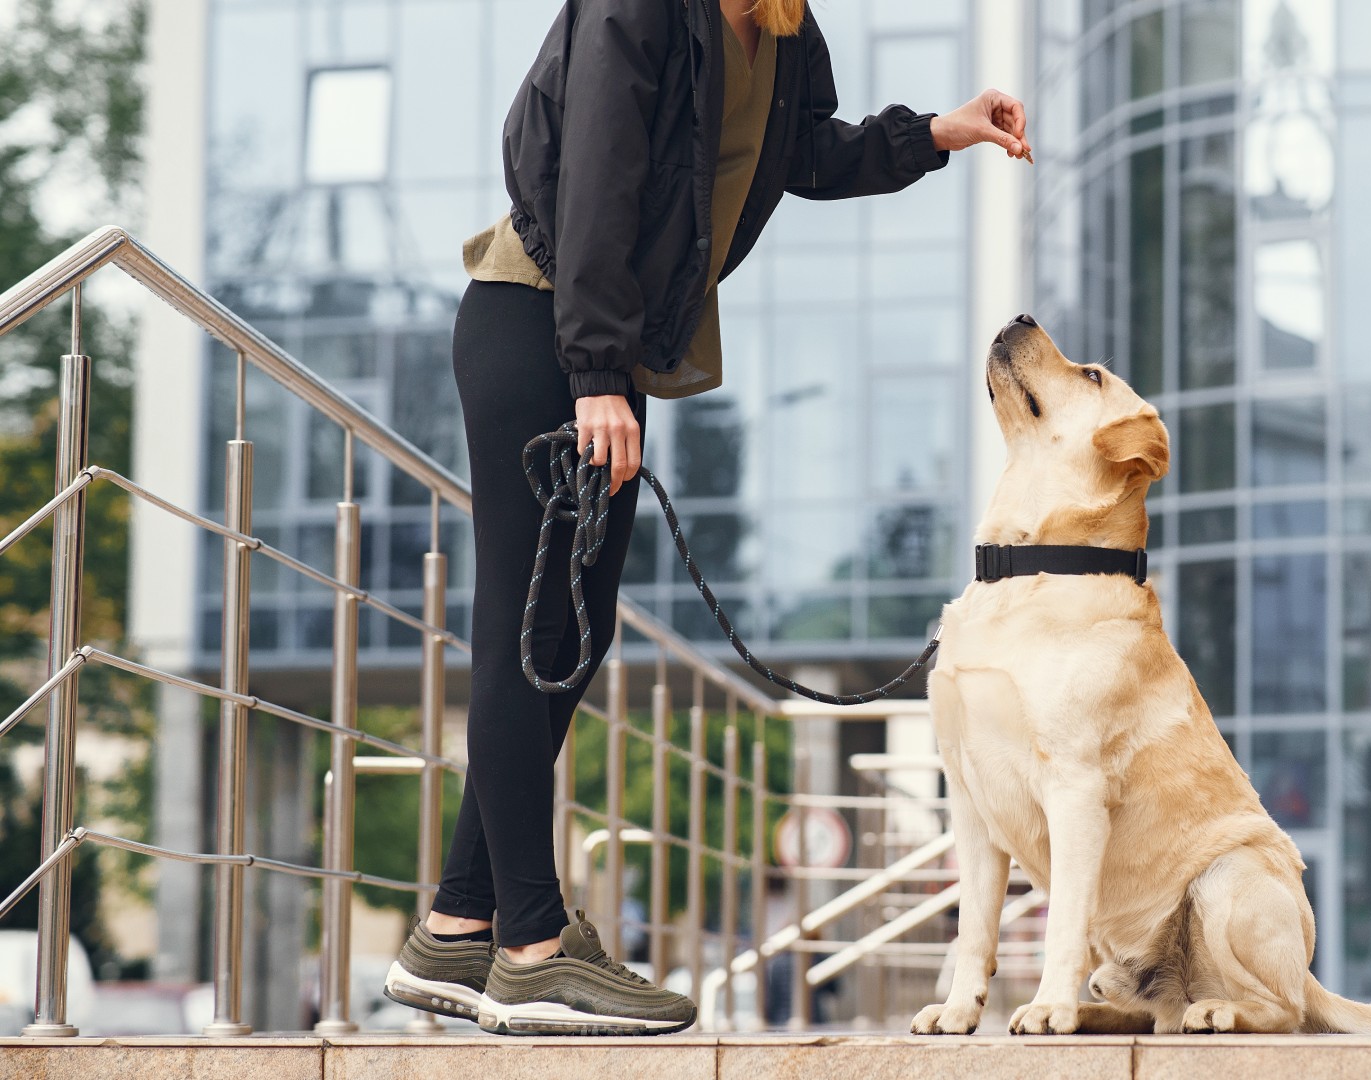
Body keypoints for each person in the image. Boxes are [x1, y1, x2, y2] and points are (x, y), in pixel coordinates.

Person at [380, 0, 1030, 1036]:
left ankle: (459, 923)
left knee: (569, 642)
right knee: (523, 629)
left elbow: (804, 152)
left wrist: (938, 132)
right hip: (536, 323)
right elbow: (592, 174)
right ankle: (531, 947)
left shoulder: (781, 30)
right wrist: (594, 372)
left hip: (601, 355)